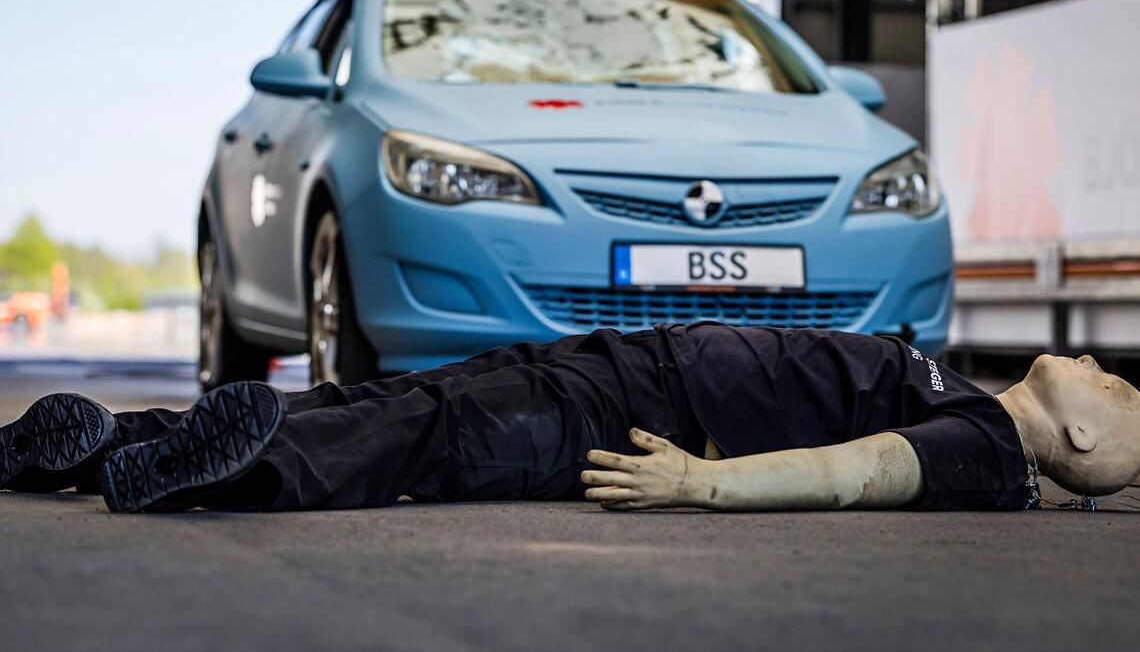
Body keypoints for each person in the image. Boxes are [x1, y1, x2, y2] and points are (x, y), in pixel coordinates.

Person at [1, 323, 1137, 514]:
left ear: (1082, 438)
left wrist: (701, 484)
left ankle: (222, 473)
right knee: (381, 399)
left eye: (1118, 390)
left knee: (430, 434)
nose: (1102, 366)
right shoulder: (970, 395)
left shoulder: (987, 447)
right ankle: (111, 441)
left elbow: (857, 472)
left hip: (643, 411)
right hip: (628, 363)